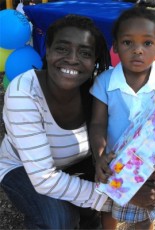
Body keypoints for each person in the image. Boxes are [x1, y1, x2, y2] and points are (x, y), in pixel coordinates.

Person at [0, 14, 111, 229]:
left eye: (85, 53)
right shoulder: (24, 94)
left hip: (76, 164)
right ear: (48, 51)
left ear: (95, 61)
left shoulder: (96, 90)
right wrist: (110, 199)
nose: (72, 59)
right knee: (59, 221)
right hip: (23, 166)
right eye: (62, 48)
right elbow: (44, 178)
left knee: (90, 215)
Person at [89, 6, 155, 230]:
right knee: (109, 212)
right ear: (115, 46)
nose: (137, 50)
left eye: (147, 43)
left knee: (145, 214)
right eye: (128, 42)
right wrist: (100, 156)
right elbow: (97, 123)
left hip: (150, 165)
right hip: (114, 164)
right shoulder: (105, 82)